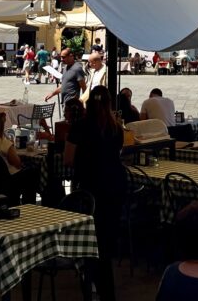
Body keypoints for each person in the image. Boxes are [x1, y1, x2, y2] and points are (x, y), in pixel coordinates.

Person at [64, 86, 126, 301]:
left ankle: (93, 286)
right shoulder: (116, 128)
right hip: (115, 184)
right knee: (106, 239)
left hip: (91, 188)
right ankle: (104, 288)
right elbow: (117, 153)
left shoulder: (80, 126)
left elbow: (68, 159)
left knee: (91, 240)